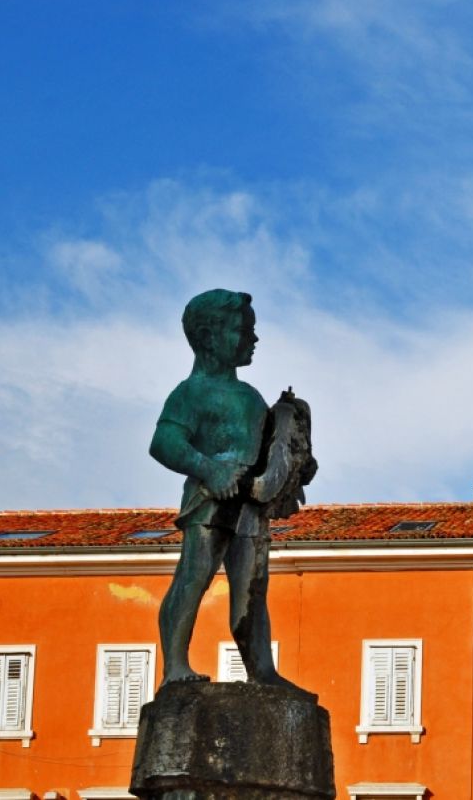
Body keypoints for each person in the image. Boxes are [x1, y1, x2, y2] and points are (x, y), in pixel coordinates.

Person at [150, 289, 296, 689]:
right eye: (243, 329)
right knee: (193, 576)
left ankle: (261, 671)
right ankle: (174, 666)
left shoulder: (252, 398)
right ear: (209, 336)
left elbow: (273, 451)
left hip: (250, 501)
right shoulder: (189, 394)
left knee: (252, 588)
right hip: (208, 500)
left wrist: (287, 425)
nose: (253, 338)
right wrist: (208, 469)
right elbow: (163, 444)